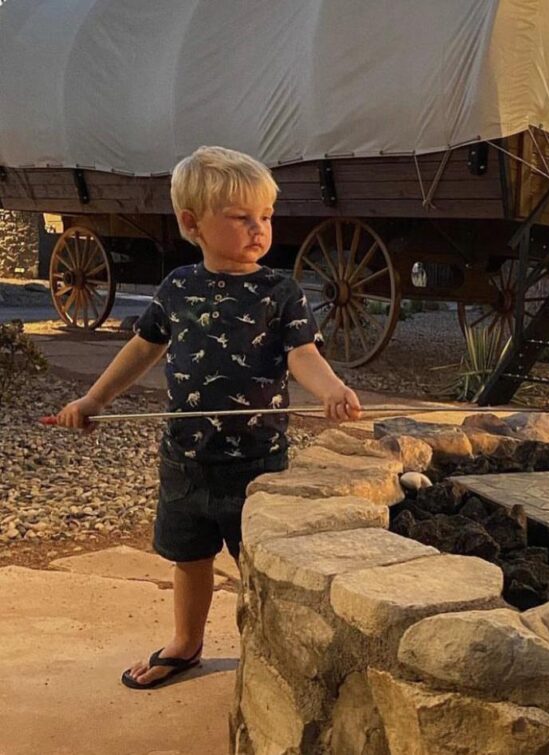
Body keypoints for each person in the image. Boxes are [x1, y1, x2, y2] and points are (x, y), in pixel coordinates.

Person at [55, 145, 362, 689]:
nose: (258, 229)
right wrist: (93, 401)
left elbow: (302, 354)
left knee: (263, 568)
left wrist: (332, 389)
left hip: (258, 463)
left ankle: (273, 655)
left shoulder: (280, 291)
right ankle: (187, 643)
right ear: (192, 223)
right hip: (186, 460)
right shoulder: (178, 287)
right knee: (189, 559)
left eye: (265, 216)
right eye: (241, 217)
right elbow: (142, 348)